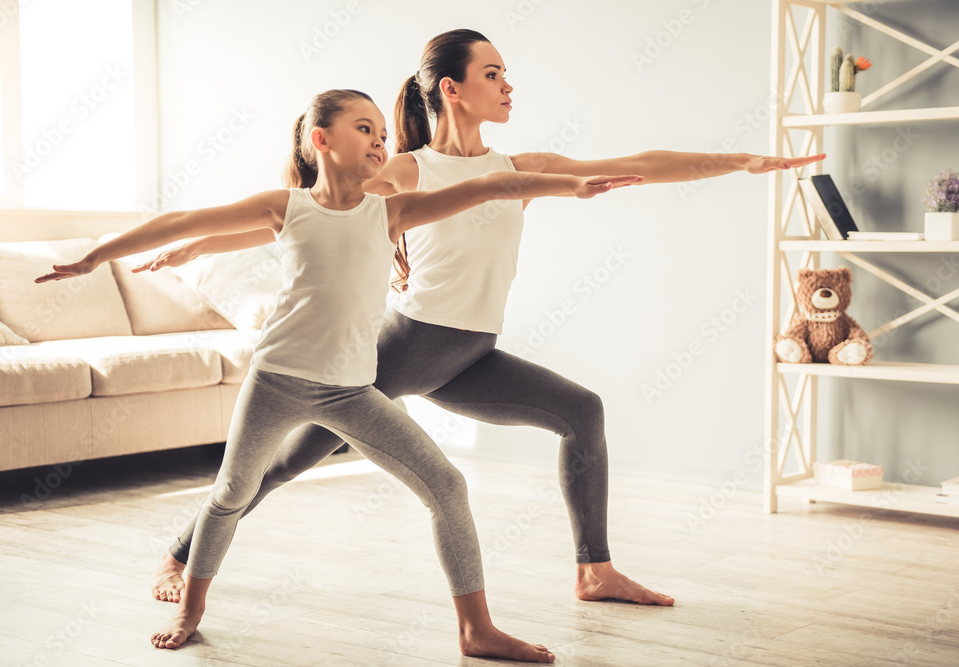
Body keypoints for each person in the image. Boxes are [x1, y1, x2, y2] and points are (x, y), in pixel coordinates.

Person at [145, 29, 825, 611]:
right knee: (287, 460)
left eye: (506, 74)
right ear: (450, 88)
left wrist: (740, 161)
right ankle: (181, 554)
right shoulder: (407, 171)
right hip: (403, 348)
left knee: (581, 410)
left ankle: (595, 569)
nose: (507, 86)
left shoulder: (521, 168)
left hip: (471, 355)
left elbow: (640, 164)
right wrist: (201, 242)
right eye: (492, 74)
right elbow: (306, 212)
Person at [35, 89, 634, 661]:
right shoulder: (286, 206)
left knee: (446, 488)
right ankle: (189, 611)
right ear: (321, 140)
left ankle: (476, 630)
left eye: (381, 131)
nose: (380, 142)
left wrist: (571, 185)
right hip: (276, 382)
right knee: (231, 495)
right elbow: (185, 220)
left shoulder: (392, 211)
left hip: (350, 390)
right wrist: (94, 257)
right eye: (365, 130)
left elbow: (497, 185)